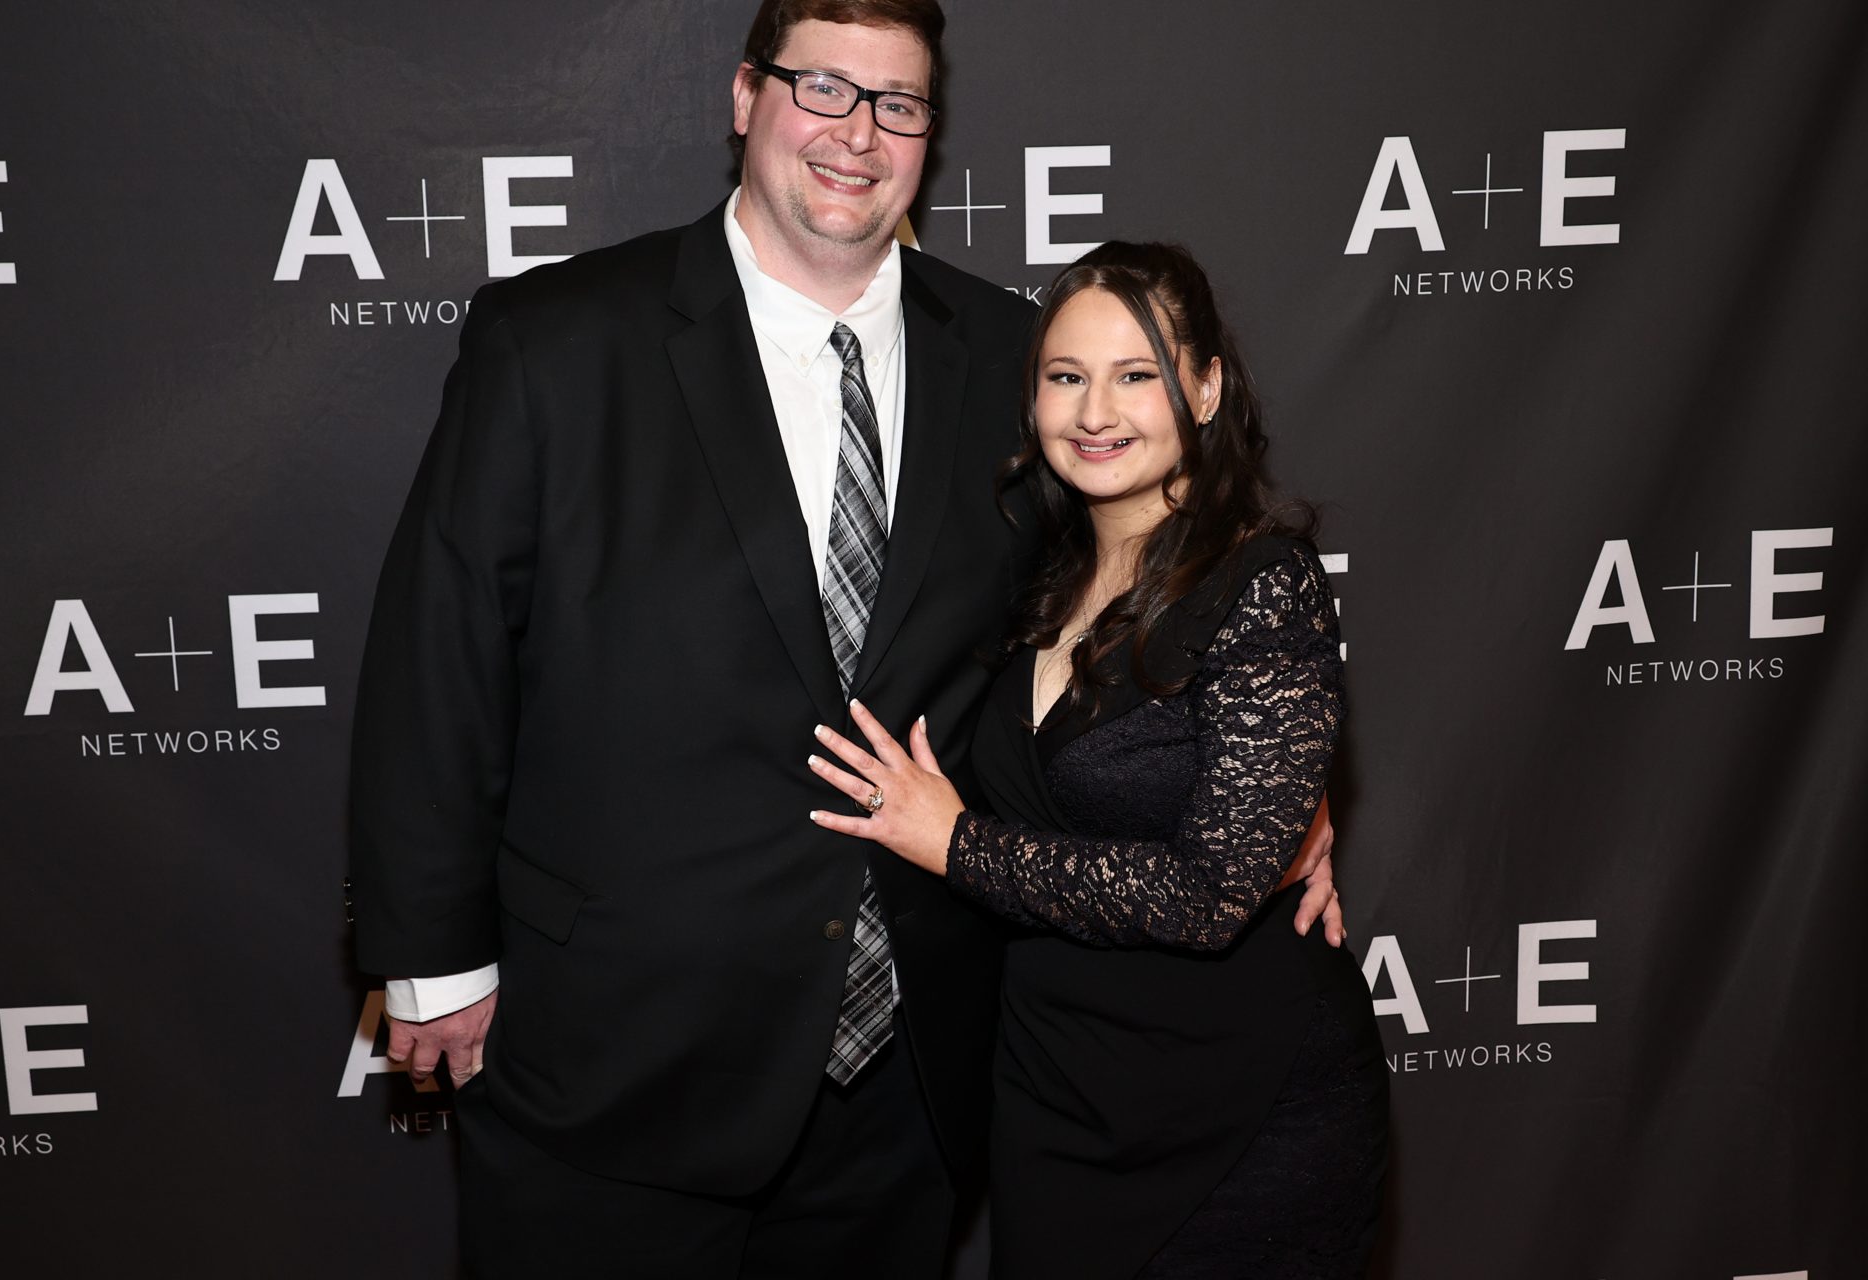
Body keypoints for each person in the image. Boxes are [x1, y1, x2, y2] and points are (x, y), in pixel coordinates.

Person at [347, 0, 1345, 1273]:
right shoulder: (557, 339)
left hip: (909, 1071)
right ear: (744, 96)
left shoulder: (1012, 357)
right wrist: (432, 956)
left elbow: (1140, 593)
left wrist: (1270, 791)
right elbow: (442, 654)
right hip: (613, 1054)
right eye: (822, 88)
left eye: (899, 104)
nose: (857, 134)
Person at [808, 241, 1389, 1278]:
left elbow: (1211, 894)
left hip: (1243, 1114)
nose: (1095, 411)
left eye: (1138, 375)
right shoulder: (1024, 569)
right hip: (1055, 1101)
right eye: (1066, 376)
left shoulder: (1262, 582)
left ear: (1206, 388)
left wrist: (957, 844)